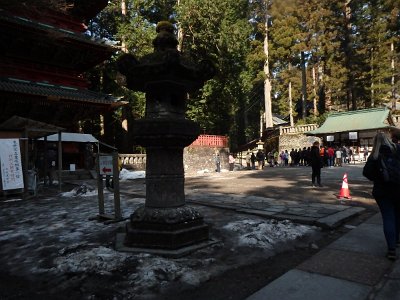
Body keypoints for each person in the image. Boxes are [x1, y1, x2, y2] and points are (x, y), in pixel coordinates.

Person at [363, 132, 400, 261]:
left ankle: (391, 249)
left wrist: (377, 179)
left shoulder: (375, 155)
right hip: (398, 188)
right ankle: (397, 240)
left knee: (388, 217)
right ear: (388, 139)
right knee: (397, 215)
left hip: (382, 191)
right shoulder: (397, 150)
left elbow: (366, 172)